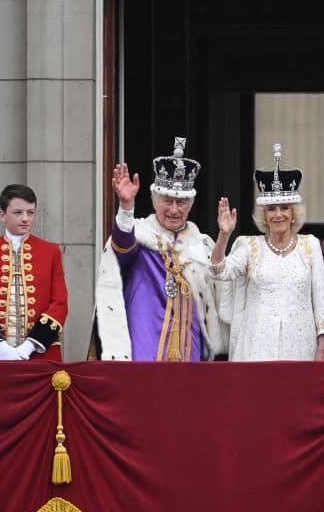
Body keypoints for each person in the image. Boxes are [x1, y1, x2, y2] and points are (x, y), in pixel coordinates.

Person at [94, 137, 226, 361]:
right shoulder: (140, 234)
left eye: (181, 202)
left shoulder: (201, 244)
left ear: (190, 206)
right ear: (154, 202)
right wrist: (126, 208)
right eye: (167, 201)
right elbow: (122, 249)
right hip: (144, 345)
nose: (174, 209)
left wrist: (224, 236)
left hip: (191, 348)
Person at [210, 145, 324, 361]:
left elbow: (321, 301)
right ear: (263, 215)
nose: (278, 215)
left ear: (294, 213)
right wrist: (224, 235)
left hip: (300, 346)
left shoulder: (310, 245)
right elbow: (219, 271)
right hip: (256, 346)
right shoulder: (249, 246)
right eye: (271, 209)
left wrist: (321, 349)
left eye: (284, 208)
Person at [0, 185, 68, 361]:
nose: (25, 219)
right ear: (2, 215)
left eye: (30, 212)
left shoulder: (51, 251)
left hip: (42, 353)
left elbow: (60, 303)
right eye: (18, 212)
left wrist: (31, 345)